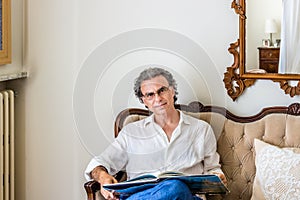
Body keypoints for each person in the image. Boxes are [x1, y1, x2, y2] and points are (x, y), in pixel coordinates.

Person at [85, 67, 227, 200]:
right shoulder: (131, 132)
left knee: (175, 187)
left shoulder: (201, 129)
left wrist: (218, 177)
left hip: (186, 196)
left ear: (172, 91)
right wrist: (102, 177)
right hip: (144, 194)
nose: (158, 99)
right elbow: (98, 163)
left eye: (162, 90)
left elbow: (213, 169)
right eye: (150, 95)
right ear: (144, 101)